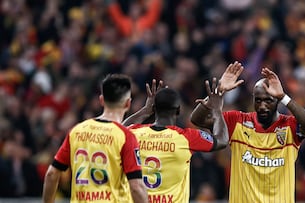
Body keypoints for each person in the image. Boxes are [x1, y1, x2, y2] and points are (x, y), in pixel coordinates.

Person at [190, 61, 305, 203]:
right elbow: (198, 120)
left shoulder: (289, 125)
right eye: (258, 100)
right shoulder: (238, 121)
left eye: (268, 100)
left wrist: (284, 97)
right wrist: (218, 92)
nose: (262, 106)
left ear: (277, 101)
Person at [42, 74, 148, 203]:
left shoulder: (77, 131)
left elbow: (51, 174)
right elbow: (136, 187)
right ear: (128, 103)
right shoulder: (125, 137)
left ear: (102, 100)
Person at [123, 78, 229, 202]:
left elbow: (120, 129)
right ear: (178, 110)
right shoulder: (186, 137)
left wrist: (146, 109)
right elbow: (221, 140)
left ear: (154, 108)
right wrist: (216, 109)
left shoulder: (136, 133)